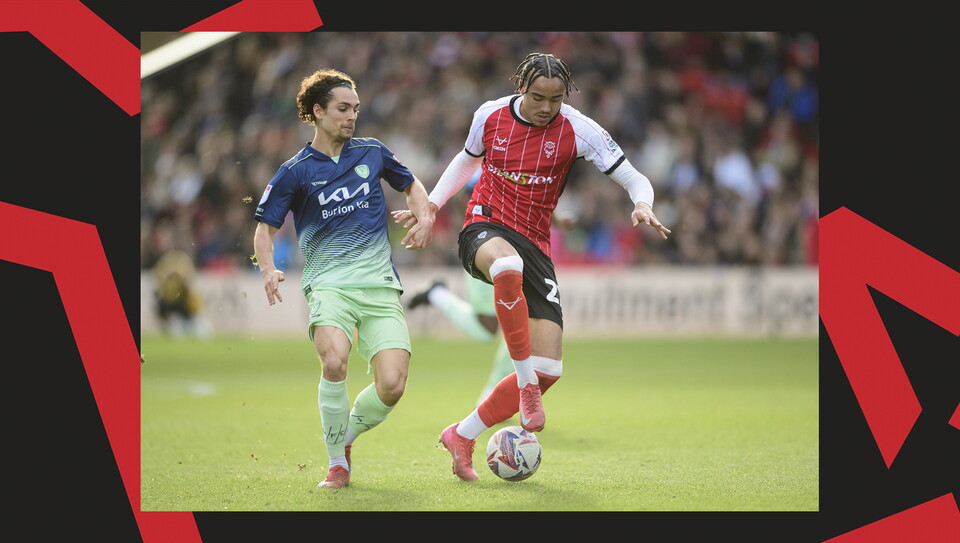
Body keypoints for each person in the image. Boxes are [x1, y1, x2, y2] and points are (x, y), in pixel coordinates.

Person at [395, 52, 670, 482]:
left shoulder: (579, 129)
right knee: (506, 265)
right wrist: (431, 205)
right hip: (483, 226)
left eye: (556, 99)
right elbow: (467, 160)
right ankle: (524, 385)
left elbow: (634, 176)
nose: (547, 107)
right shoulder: (489, 115)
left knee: (551, 370)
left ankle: (462, 435)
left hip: (535, 244)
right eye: (539, 97)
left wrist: (643, 203)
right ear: (521, 88)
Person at [253, 68, 435, 489]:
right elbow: (264, 227)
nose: (352, 116)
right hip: (329, 285)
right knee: (334, 360)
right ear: (317, 112)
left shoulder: (372, 152)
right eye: (342, 108)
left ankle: (346, 438)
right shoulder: (295, 171)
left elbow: (412, 185)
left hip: (379, 287)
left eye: (355, 108)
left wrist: (424, 215)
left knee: (391, 385)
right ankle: (337, 463)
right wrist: (268, 269)